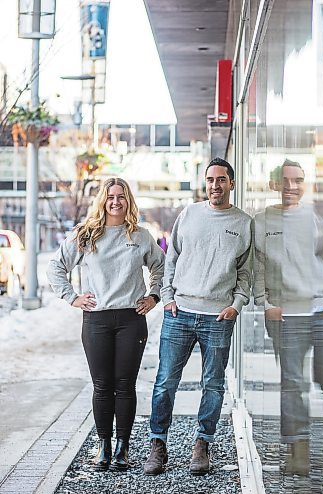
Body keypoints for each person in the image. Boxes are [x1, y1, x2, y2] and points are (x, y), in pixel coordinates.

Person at [47, 177, 165, 472]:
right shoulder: (86, 235)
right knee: (102, 386)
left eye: (121, 197)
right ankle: (104, 445)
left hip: (130, 320)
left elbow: (162, 266)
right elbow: (56, 267)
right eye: (111, 196)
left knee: (125, 385)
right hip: (97, 320)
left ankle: (123, 447)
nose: (115, 201)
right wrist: (72, 297)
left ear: (128, 201)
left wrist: (154, 295)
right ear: (103, 200)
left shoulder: (139, 236)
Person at [144, 157, 252, 476]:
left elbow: (246, 272)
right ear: (204, 183)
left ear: (231, 184)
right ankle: (157, 445)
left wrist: (237, 304)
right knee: (165, 383)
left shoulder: (244, 223)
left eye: (221, 180)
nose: (214, 185)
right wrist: (167, 297)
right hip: (180, 312)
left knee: (214, 385)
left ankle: (202, 444)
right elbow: (172, 258)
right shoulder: (189, 214)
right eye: (210, 180)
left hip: (218, 316)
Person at [254, 159, 323, 475]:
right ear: (274, 184)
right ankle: (297, 451)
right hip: (287, 318)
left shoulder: (315, 219)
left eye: (298, 180)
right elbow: (256, 267)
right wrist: (265, 303)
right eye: (285, 181)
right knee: (293, 385)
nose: (291, 186)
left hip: (320, 315)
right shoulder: (261, 222)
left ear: (304, 184)